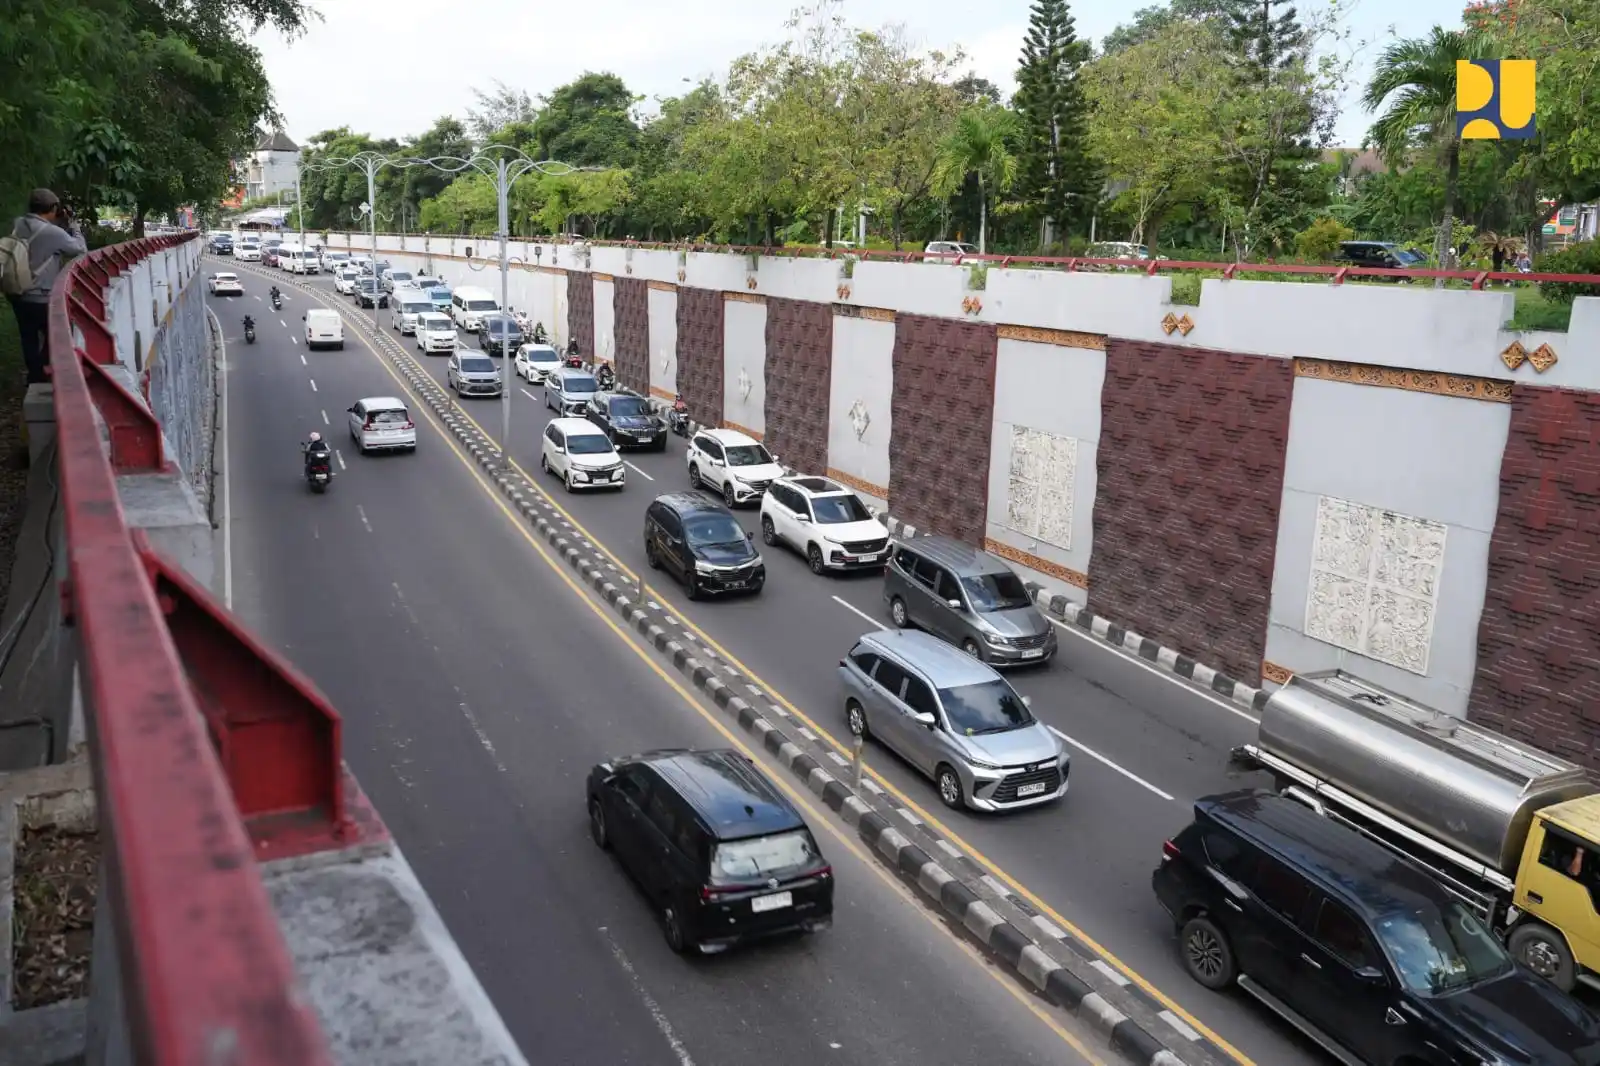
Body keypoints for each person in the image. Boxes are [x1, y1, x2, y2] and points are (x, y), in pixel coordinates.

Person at [3, 189, 88, 385]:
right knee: (57, 333)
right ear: (52, 209)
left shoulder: (17, 224)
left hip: (17, 291)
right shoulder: (53, 232)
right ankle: (43, 372)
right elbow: (80, 250)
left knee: (28, 336)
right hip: (41, 296)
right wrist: (74, 227)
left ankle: (35, 374)